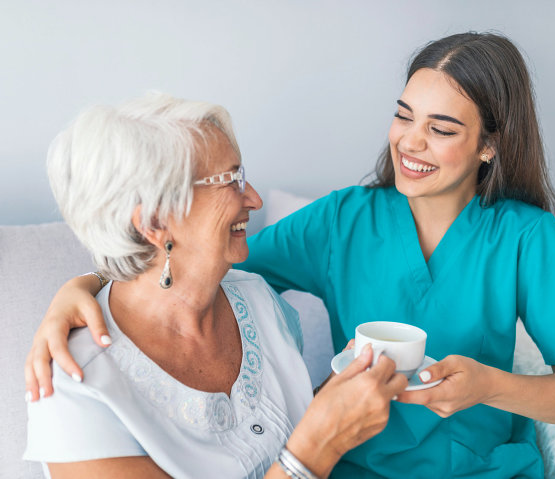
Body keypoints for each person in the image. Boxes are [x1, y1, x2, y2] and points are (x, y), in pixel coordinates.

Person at [25, 32, 555, 478]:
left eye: (441, 129)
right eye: (403, 116)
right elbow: (199, 262)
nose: (410, 143)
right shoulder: (344, 221)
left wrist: (488, 386)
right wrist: (83, 284)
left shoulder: (526, 237)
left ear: (490, 145)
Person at [22, 94, 408, 479]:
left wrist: (342, 398)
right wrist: (320, 446)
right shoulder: (75, 387)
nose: (253, 198)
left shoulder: (258, 299)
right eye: (232, 181)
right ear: (155, 222)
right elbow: (307, 448)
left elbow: (294, 434)